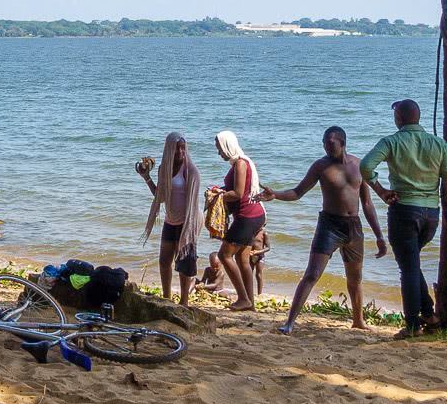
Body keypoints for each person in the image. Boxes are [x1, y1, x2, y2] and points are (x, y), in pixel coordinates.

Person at [263, 126, 389, 333]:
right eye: (324, 143)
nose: (327, 148)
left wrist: (379, 236)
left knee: (355, 279)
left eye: (331, 144)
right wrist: (275, 194)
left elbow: (367, 204)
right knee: (312, 274)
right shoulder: (320, 166)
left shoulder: (360, 165)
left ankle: (358, 320)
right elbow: (297, 192)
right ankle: (289, 323)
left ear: (343, 143)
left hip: (354, 227)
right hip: (329, 226)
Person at [359, 98, 447, 338]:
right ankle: (429, 314)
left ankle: (413, 324)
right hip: (431, 215)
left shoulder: (391, 142)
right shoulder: (438, 144)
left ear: (399, 118)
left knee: (408, 268)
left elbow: (365, 166)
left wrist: (381, 190)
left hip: (404, 210)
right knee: (411, 263)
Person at [137, 133, 204, 304]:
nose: (181, 152)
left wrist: (189, 230)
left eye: (183, 148)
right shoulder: (163, 169)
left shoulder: (191, 171)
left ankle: (184, 301)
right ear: (169, 149)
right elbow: (160, 197)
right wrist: (146, 177)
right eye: (177, 148)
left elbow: (193, 204)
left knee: (184, 262)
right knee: (164, 260)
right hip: (170, 219)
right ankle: (166, 297)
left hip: (188, 221)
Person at [212, 130, 266, 312]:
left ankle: (243, 298)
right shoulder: (240, 163)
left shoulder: (240, 164)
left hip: (247, 217)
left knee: (224, 255)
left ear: (227, 146)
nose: (219, 152)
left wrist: (218, 196)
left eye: (219, 148)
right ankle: (250, 303)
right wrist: (220, 190)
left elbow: (238, 193)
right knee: (243, 259)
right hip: (254, 216)